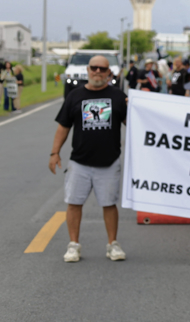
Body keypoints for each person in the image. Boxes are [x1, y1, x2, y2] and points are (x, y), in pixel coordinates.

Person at [48, 55, 128, 263]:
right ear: (88, 70)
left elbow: (133, 124)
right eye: (94, 68)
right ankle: (73, 245)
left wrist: (138, 107)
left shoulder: (119, 97)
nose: (97, 72)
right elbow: (63, 127)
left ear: (109, 73)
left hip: (109, 162)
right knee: (74, 203)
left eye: (102, 69)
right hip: (79, 162)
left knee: (109, 204)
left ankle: (113, 244)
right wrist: (55, 152)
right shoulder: (75, 96)